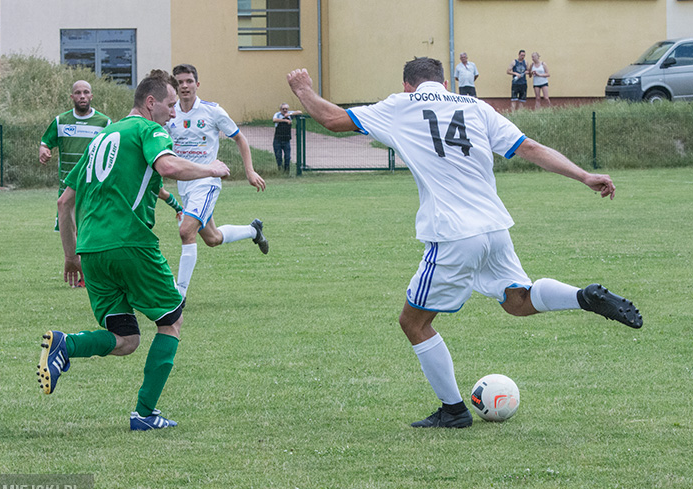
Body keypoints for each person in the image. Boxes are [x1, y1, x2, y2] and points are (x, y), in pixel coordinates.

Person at [287, 58, 642, 430]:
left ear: (409, 85)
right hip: (494, 227)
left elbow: (331, 119)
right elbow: (530, 147)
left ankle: (454, 410)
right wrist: (584, 175)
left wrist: (303, 90)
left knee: (414, 322)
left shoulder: (401, 105)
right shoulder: (476, 107)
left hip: (453, 232)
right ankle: (582, 296)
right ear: (444, 81)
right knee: (518, 301)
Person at [38, 69, 230, 431]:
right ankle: (144, 414)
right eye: (171, 106)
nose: (174, 114)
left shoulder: (102, 137)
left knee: (126, 338)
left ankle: (66, 345)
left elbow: (65, 202)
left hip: (91, 250)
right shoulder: (148, 130)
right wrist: (211, 168)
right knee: (171, 323)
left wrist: (70, 255)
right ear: (151, 103)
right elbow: (167, 164)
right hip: (131, 243)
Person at [166, 63, 269, 300]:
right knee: (212, 239)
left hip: (207, 182)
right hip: (185, 186)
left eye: (188, 81)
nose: (184, 86)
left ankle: (178, 296)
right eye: (179, 82)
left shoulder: (212, 111)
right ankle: (253, 231)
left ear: (197, 84)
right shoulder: (170, 114)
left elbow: (239, 138)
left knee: (185, 231)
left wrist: (250, 171)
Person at [40, 80, 112, 231]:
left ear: (92, 96)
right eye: (78, 93)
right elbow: (46, 142)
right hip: (67, 187)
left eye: (86, 92)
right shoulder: (61, 121)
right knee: (69, 236)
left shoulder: (104, 123)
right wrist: (44, 149)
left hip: (92, 187)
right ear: (72, 96)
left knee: (90, 232)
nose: (82, 96)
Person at [272, 103, 302, 171]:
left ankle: (287, 171)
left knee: (287, 157)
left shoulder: (289, 114)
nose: (285, 110)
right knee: (278, 156)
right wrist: (285, 120)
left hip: (286, 140)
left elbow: (300, 112)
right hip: (278, 140)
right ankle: (280, 169)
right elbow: (274, 120)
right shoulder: (277, 114)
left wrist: (289, 115)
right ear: (280, 110)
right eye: (283, 109)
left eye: (286, 109)